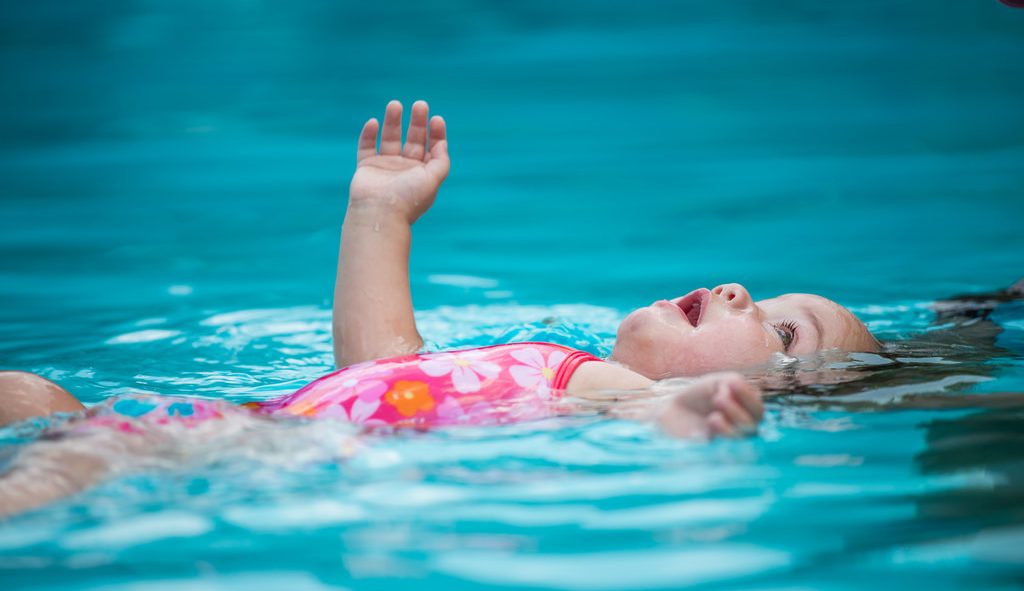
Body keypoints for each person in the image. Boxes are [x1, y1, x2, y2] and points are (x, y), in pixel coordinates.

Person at [0, 101, 882, 517]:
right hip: (235, 422)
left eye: (779, 327)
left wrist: (692, 414)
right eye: (761, 292)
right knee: (29, 399)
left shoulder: (613, 391)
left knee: (60, 465)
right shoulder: (549, 366)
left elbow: (655, 412)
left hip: (256, 453)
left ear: (762, 388)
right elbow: (378, 367)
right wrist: (379, 211)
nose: (739, 290)